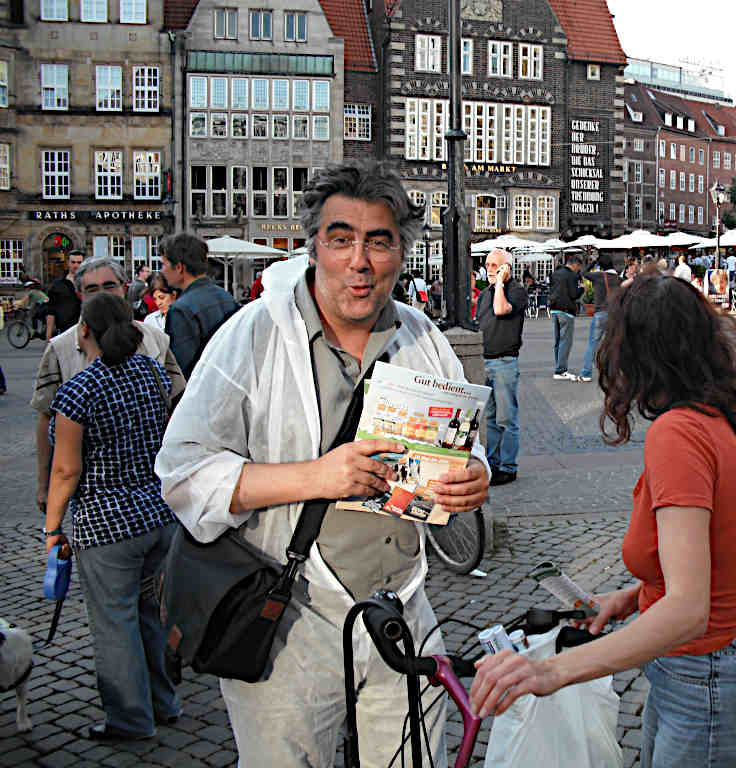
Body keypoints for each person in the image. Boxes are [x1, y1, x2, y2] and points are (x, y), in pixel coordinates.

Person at [155, 161, 490, 767]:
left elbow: (463, 445)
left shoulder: (420, 335)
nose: (358, 261)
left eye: (378, 241)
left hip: (402, 610)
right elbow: (183, 471)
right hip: (290, 616)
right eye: (341, 239)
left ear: (400, 253)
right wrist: (320, 476)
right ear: (315, 246)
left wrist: (476, 475)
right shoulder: (254, 335)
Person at [470, 275, 736, 767]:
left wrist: (553, 671)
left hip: (709, 674)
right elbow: (724, 555)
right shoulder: (726, 421)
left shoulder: (679, 434)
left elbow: (688, 610)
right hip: (717, 667)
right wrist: (633, 596)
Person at [43, 292, 181, 742]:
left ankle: (129, 718)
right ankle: (164, 703)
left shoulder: (79, 391)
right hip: (156, 515)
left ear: (84, 332)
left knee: (115, 624)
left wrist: (51, 527)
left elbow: (65, 469)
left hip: (107, 526)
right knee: (149, 616)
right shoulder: (151, 373)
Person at [32, 256, 185, 515]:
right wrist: (44, 483)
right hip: (95, 498)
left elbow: (178, 403)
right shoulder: (60, 348)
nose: (101, 294)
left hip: (156, 489)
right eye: (92, 289)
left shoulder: (154, 339)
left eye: (109, 285)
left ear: (124, 288)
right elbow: (47, 418)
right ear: (80, 295)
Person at [477, 249, 527, 486]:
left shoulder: (515, 291)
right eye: (487, 264)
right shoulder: (485, 294)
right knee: (490, 418)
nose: (489, 269)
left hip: (505, 361)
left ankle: (508, 466)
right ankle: (493, 463)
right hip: (486, 360)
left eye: (495, 265)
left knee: (507, 417)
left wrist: (499, 284)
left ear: (506, 268)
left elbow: (500, 310)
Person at [160, 232, 240, 380]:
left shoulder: (181, 309)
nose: (161, 271)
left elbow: (181, 371)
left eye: (164, 264)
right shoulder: (226, 297)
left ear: (179, 267)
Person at [578, 252, 621, 383]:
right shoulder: (618, 278)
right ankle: (615, 374)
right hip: (614, 314)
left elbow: (583, 272)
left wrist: (593, 262)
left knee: (592, 343)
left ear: (601, 266)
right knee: (613, 344)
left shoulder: (599, 276)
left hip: (600, 313)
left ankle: (586, 373)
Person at [548, 252, 584, 380]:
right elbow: (574, 295)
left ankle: (559, 367)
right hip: (566, 310)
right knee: (565, 341)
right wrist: (582, 289)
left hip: (554, 309)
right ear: (575, 264)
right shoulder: (572, 276)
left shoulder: (555, 273)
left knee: (558, 341)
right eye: (578, 267)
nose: (578, 270)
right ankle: (560, 370)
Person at [44, 249, 84, 341]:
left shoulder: (89, 282)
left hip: (85, 331)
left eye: (79, 262)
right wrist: (48, 335)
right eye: (73, 262)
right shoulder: (57, 285)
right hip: (64, 331)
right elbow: (51, 311)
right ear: (68, 263)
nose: (76, 265)